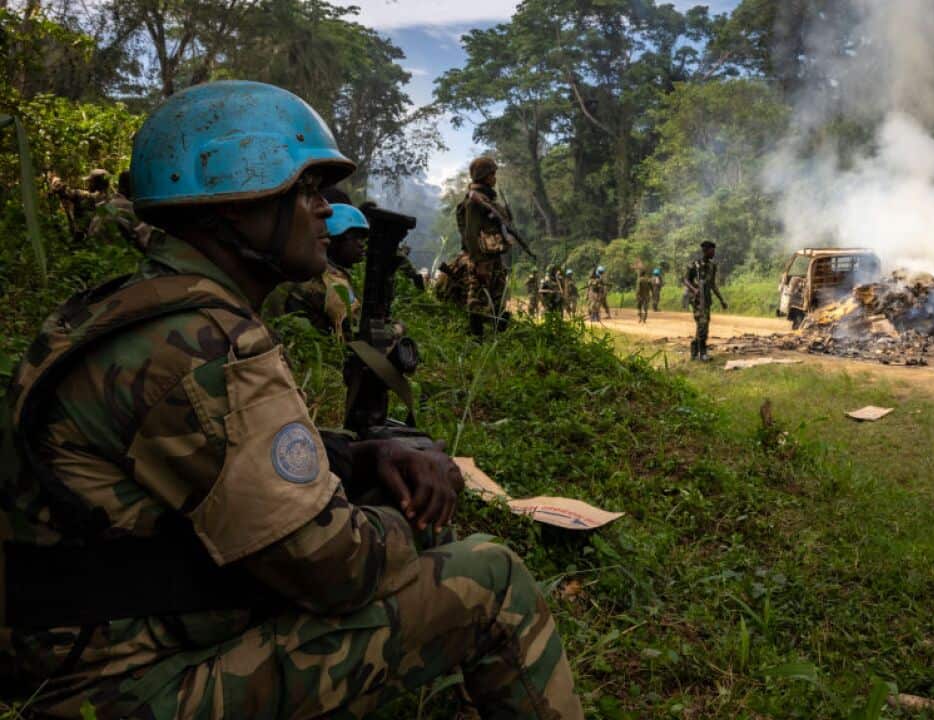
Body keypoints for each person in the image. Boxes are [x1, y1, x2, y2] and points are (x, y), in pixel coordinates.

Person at [0, 80, 582, 720]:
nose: (326, 213)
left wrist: (356, 458)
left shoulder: (118, 310)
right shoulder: (208, 347)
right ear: (231, 203)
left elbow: (208, 465)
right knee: (490, 579)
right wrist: (409, 514)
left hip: (70, 655)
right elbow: (337, 569)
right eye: (306, 191)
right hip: (123, 689)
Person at [266, 202, 367, 340]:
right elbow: (358, 333)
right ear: (334, 239)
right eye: (355, 237)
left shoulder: (300, 267)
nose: (362, 244)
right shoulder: (331, 280)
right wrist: (397, 329)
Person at [456, 156, 513, 337]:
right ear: (484, 175)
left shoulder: (486, 200)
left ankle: (496, 333)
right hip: (481, 258)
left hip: (492, 256)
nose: (494, 178)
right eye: (492, 174)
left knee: (498, 295)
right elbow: (471, 234)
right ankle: (476, 338)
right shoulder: (474, 201)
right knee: (477, 297)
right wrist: (478, 262)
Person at [684, 241, 728, 361]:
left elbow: (713, 285)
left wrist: (721, 300)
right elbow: (686, 280)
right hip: (697, 300)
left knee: (703, 325)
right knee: (703, 325)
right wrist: (694, 290)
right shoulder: (695, 265)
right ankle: (702, 353)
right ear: (705, 251)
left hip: (707, 299)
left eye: (714, 250)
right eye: (711, 251)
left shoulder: (712, 266)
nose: (713, 253)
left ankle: (694, 351)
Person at [50, 168, 111, 242]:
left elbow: (70, 193)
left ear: (95, 184)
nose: (88, 184)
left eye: (90, 182)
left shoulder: (87, 197)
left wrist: (58, 186)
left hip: (87, 241)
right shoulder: (110, 202)